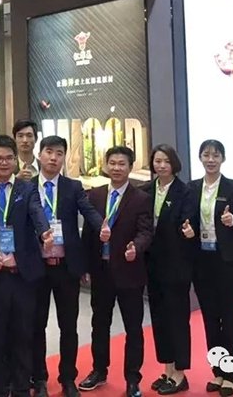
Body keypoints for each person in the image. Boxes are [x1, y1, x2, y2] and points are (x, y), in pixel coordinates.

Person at [0, 134, 53, 397]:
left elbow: (37, 212)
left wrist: (44, 231)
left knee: (23, 333)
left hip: (23, 275)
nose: (3, 163)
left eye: (8, 158)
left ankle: (21, 388)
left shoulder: (27, 189)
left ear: (15, 161)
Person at [31, 135, 103, 397]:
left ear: (64, 158)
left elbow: (88, 211)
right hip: (36, 267)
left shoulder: (73, 187)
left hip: (66, 267)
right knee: (36, 325)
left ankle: (68, 378)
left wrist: (103, 226)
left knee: (68, 326)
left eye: (59, 153)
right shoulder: (26, 186)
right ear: (40, 155)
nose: (53, 158)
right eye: (49, 152)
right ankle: (39, 378)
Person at [80, 145, 153, 397]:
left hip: (129, 271)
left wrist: (136, 247)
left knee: (133, 327)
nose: (116, 168)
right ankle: (99, 371)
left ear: (130, 167)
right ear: (105, 165)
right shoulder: (95, 195)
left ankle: (132, 379)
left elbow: (146, 231)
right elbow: (88, 233)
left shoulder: (141, 198)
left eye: (122, 164)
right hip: (101, 270)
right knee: (99, 323)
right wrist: (85, 266)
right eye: (112, 163)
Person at [188, 140, 233, 397]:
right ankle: (218, 371)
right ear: (200, 158)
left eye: (215, 155)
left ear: (223, 158)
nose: (210, 159)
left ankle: (231, 374)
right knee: (210, 318)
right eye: (206, 155)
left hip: (226, 260)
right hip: (201, 259)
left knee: (228, 317)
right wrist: (187, 228)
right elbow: (186, 217)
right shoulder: (191, 188)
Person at [142, 145, 195, 395]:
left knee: (177, 319)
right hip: (152, 265)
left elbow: (188, 223)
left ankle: (180, 373)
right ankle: (167, 369)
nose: (161, 166)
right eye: (157, 161)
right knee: (160, 319)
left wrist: (188, 231)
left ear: (174, 163)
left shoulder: (185, 192)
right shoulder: (146, 190)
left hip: (176, 265)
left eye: (166, 161)